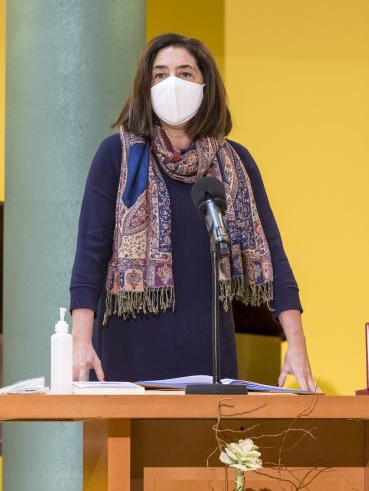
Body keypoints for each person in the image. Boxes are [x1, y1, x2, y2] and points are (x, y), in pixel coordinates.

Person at [68, 33, 316, 391]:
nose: (172, 83)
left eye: (184, 73)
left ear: (205, 85)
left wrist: (297, 345)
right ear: (146, 87)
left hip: (210, 353)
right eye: (160, 75)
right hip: (128, 355)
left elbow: (273, 256)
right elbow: (89, 254)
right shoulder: (116, 156)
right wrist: (80, 342)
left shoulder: (237, 163)